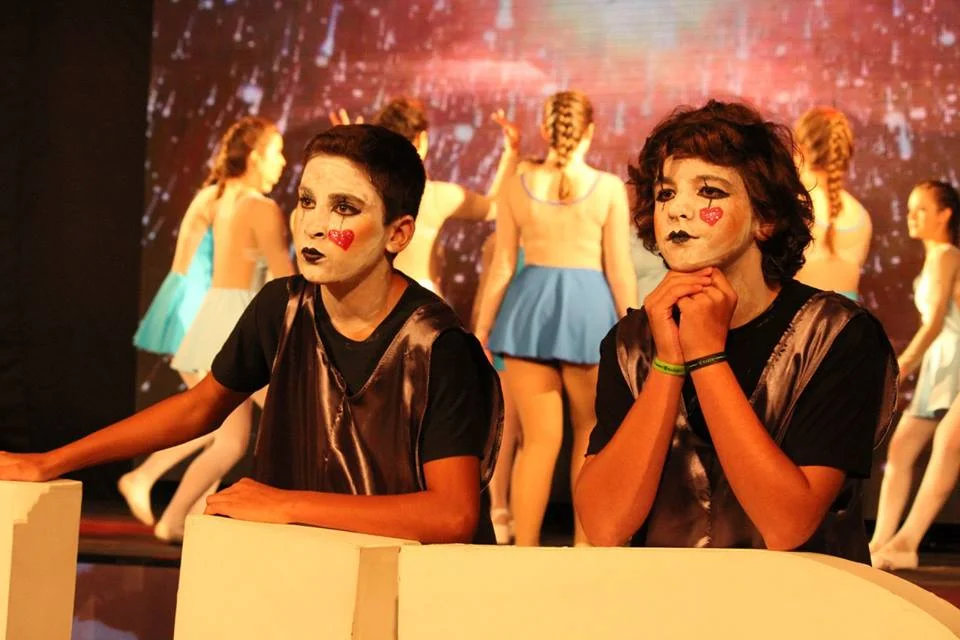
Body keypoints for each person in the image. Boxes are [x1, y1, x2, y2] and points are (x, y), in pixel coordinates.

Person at [0, 124, 502, 545]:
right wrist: (50, 462)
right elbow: (199, 407)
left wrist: (286, 505)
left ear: (398, 233)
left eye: (345, 208)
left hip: (411, 594)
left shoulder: (438, 346)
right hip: (307, 572)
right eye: (307, 201)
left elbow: (452, 515)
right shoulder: (281, 307)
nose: (314, 225)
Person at [574, 100, 898, 563]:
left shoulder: (837, 335)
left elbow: (786, 524)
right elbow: (605, 525)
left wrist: (707, 357)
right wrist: (668, 364)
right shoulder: (632, 343)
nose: (678, 210)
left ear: (766, 219)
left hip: (803, 603)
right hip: (668, 603)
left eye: (709, 191)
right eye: (666, 194)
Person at [120, 116, 296, 542]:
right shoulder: (257, 207)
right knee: (265, 423)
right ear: (254, 157)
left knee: (228, 437)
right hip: (235, 319)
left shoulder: (220, 199)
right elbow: (285, 278)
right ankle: (173, 508)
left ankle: (182, 515)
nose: (283, 163)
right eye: (276, 153)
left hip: (217, 316)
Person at [474, 90, 638, 546]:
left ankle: (525, 551)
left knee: (537, 442)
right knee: (590, 434)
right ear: (590, 130)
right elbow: (619, 269)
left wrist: (483, 328)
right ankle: (584, 546)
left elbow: (503, 267)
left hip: (528, 312)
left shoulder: (516, 187)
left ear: (546, 130)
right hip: (588, 312)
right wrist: (632, 326)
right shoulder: (608, 188)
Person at [332, 97, 520, 293]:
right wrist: (511, 153)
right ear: (422, 140)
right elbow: (494, 207)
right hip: (420, 303)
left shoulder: (361, 194)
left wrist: (350, 157)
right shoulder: (437, 197)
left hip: (370, 300)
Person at [870, 180, 960, 569]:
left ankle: (907, 542)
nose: (912, 217)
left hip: (950, 359)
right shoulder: (935, 258)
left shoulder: (947, 255)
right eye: (910, 209)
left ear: (945, 214)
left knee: (949, 442)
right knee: (902, 447)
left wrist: (902, 365)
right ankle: (880, 541)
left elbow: (937, 322)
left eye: (921, 209)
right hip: (943, 364)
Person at [793, 106, 872, 301]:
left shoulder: (793, 204)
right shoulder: (861, 215)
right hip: (850, 318)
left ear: (801, 149)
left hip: (802, 316)